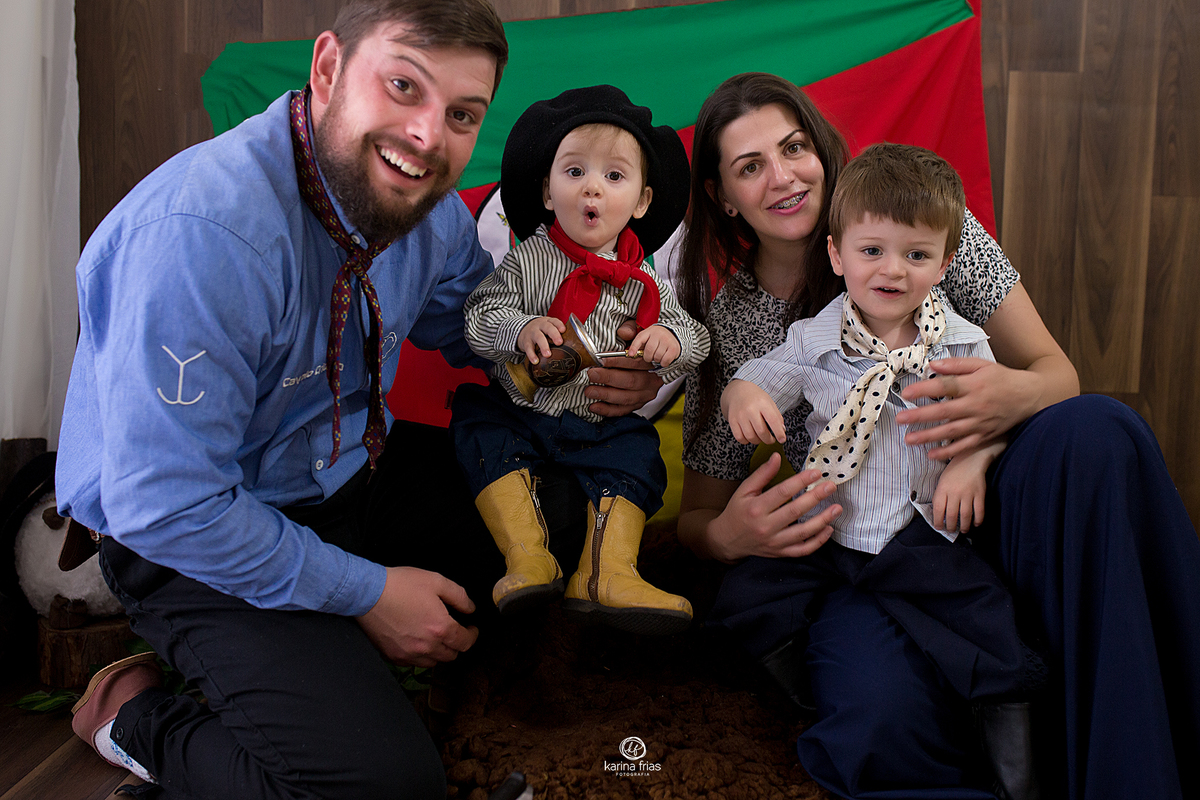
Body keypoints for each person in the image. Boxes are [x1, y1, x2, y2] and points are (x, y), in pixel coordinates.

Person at [54, 2, 664, 798]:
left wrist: (581, 366)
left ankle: (316, 670)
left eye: (461, 114)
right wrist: (368, 592)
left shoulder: (432, 217)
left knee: (554, 519)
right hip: (197, 534)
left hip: (351, 477)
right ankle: (136, 721)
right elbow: (166, 504)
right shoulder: (205, 236)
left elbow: (477, 332)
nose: (426, 135)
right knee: (381, 788)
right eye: (403, 85)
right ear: (329, 69)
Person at [676, 72, 1200, 800]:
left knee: (1101, 429)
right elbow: (697, 515)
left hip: (982, 496)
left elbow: (1057, 372)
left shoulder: (925, 218)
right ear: (721, 196)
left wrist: (1005, 403)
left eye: (793, 147)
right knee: (879, 716)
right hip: (865, 543)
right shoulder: (737, 323)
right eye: (749, 166)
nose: (783, 176)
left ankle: (1140, 765)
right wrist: (729, 535)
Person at [717, 141, 1033, 715]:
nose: (892, 269)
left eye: (916, 255)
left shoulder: (963, 342)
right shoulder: (815, 338)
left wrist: (971, 460)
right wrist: (744, 393)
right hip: (828, 531)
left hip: (921, 531)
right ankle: (796, 688)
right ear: (837, 256)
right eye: (872, 250)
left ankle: (1011, 744)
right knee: (745, 598)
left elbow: (996, 418)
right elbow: (763, 376)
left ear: (944, 264)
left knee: (987, 624)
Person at [451, 85, 709, 635]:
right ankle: (526, 556)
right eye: (574, 172)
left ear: (641, 202)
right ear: (547, 192)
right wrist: (518, 327)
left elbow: (696, 338)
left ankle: (606, 572)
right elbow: (477, 317)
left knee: (638, 454)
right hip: (523, 411)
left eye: (614, 176)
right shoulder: (526, 260)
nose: (593, 186)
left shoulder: (647, 284)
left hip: (597, 423)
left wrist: (670, 340)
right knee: (479, 425)